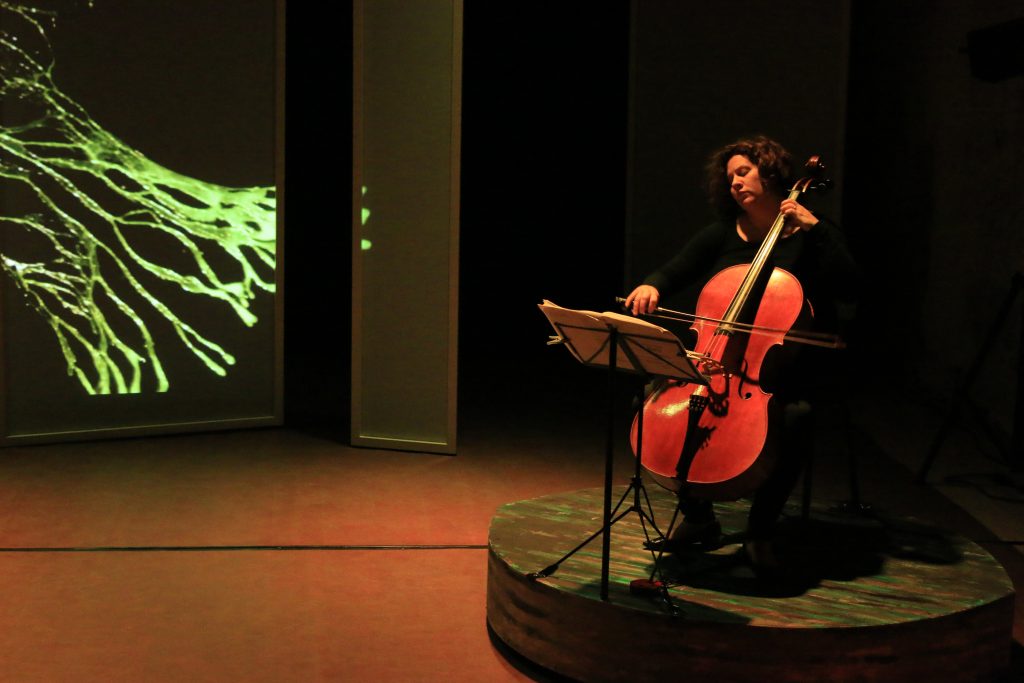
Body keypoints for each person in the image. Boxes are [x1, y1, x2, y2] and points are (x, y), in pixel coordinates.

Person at [623, 135, 859, 577]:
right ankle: (698, 518)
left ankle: (760, 531)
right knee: (654, 400)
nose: (734, 182)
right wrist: (652, 285)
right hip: (715, 360)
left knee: (797, 418)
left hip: (783, 367)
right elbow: (676, 269)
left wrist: (814, 227)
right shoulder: (723, 232)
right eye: (730, 176)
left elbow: (850, 283)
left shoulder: (812, 232)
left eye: (743, 172)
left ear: (770, 173)